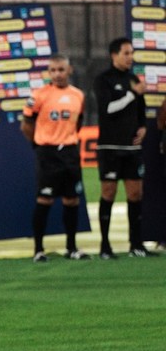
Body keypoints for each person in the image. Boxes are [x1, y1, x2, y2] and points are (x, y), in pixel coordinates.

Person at [21, 55, 88, 262]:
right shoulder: (39, 95)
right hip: (48, 153)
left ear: (70, 70)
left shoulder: (78, 95)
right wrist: (38, 145)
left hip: (70, 152)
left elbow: (78, 123)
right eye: (53, 70)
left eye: (61, 70)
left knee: (72, 199)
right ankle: (38, 250)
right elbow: (26, 125)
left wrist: (68, 139)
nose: (57, 74)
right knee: (45, 199)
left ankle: (71, 247)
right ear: (49, 73)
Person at [93, 37, 155, 258]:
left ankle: (136, 245)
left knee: (136, 194)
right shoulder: (103, 80)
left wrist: (143, 128)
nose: (130, 57)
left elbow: (141, 110)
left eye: (132, 53)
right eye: (126, 53)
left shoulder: (133, 79)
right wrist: (132, 94)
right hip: (110, 146)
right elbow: (108, 109)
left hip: (132, 148)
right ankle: (105, 246)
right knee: (109, 193)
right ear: (114, 55)